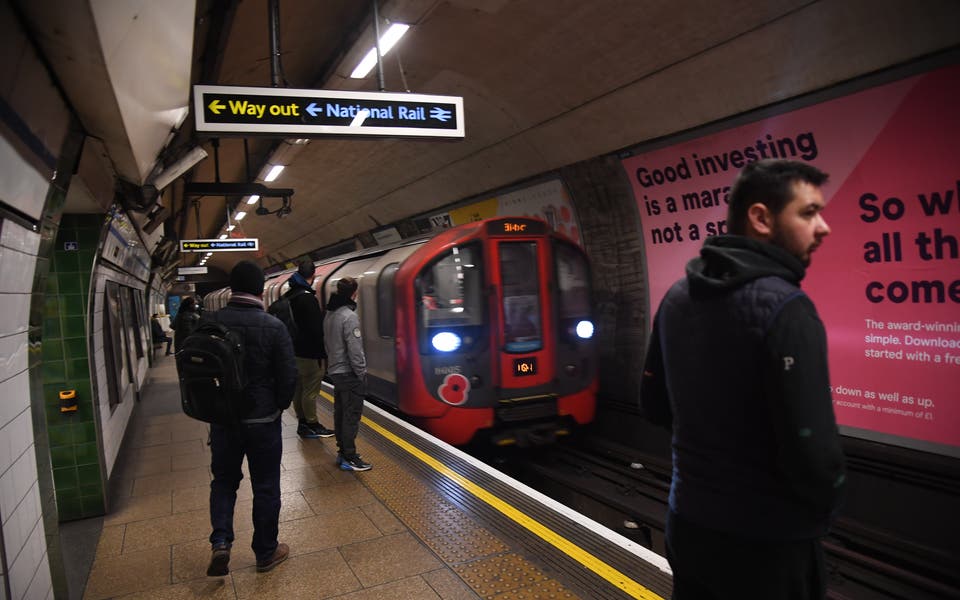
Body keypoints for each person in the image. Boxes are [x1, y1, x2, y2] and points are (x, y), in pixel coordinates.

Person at [641, 159, 846, 599]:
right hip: (768, 546)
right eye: (808, 213)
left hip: (689, 525)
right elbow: (814, 454)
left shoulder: (676, 297)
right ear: (761, 218)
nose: (824, 227)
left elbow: (653, 403)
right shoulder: (788, 309)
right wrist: (818, 510)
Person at [205, 261, 297, 577]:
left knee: (224, 482)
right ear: (261, 290)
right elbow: (288, 377)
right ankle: (265, 553)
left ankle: (220, 542)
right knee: (266, 486)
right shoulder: (274, 327)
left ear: (232, 288)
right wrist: (277, 407)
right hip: (262, 421)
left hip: (224, 421)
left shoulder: (211, 322)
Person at [323, 276, 371, 471]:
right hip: (349, 373)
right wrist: (361, 373)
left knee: (341, 413)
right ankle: (349, 456)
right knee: (351, 415)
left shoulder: (330, 314)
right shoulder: (349, 317)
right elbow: (355, 349)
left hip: (335, 370)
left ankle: (343, 452)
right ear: (354, 293)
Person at [285, 260, 335, 439]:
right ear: (312, 275)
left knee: (299, 389)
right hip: (310, 353)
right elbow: (316, 330)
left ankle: (302, 423)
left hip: (295, 351)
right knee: (310, 391)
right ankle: (312, 423)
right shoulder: (307, 298)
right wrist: (324, 353)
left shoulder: (290, 295)